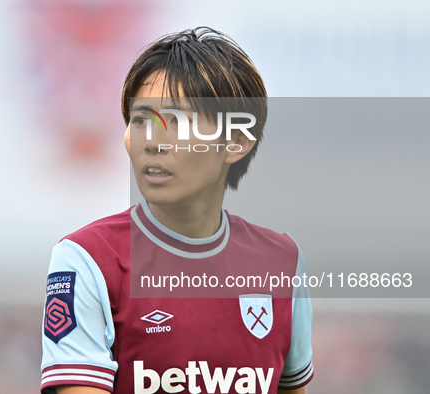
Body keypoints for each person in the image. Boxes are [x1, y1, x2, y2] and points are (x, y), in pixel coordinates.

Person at [41, 27, 313, 394]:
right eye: (140, 120)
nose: (152, 142)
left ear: (235, 142)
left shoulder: (282, 262)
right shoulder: (87, 259)